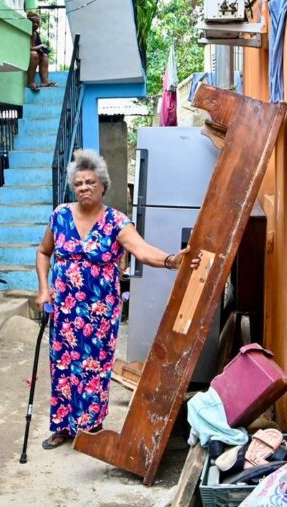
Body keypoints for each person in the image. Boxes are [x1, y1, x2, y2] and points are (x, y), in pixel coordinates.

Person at [35, 149, 200, 449]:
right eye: (79, 183)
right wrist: (44, 289)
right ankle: (62, 426)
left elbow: (142, 250)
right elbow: (43, 252)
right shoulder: (60, 215)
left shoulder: (115, 221)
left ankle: (90, 427)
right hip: (64, 309)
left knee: (94, 368)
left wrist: (170, 260)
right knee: (63, 366)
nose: (84, 187)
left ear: (102, 186)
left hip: (100, 311)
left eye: (90, 182)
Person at [26, 11, 56, 92]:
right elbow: (26, 48)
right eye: (33, 22)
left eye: (37, 22)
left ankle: (44, 81)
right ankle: (31, 82)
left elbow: (37, 46)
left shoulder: (36, 34)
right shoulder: (25, 32)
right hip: (26, 56)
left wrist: (41, 49)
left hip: (33, 56)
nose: (35, 24)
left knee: (44, 56)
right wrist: (39, 47)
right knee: (34, 54)